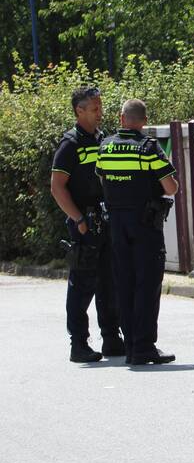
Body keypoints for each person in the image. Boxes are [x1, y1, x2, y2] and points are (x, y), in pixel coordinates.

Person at [95, 99, 179, 365]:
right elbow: (171, 187)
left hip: (116, 225)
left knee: (124, 283)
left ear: (122, 119)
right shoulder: (148, 148)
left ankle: (131, 344)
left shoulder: (105, 147)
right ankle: (144, 346)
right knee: (147, 283)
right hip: (145, 225)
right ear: (144, 121)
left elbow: (102, 179)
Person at [51, 86, 124, 363]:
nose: (100, 113)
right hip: (84, 223)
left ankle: (111, 338)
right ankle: (79, 343)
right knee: (82, 284)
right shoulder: (70, 144)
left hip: (105, 220)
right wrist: (78, 219)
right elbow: (57, 188)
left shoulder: (102, 139)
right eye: (94, 109)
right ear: (79, 111)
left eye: (100, 107)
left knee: (110, 281)